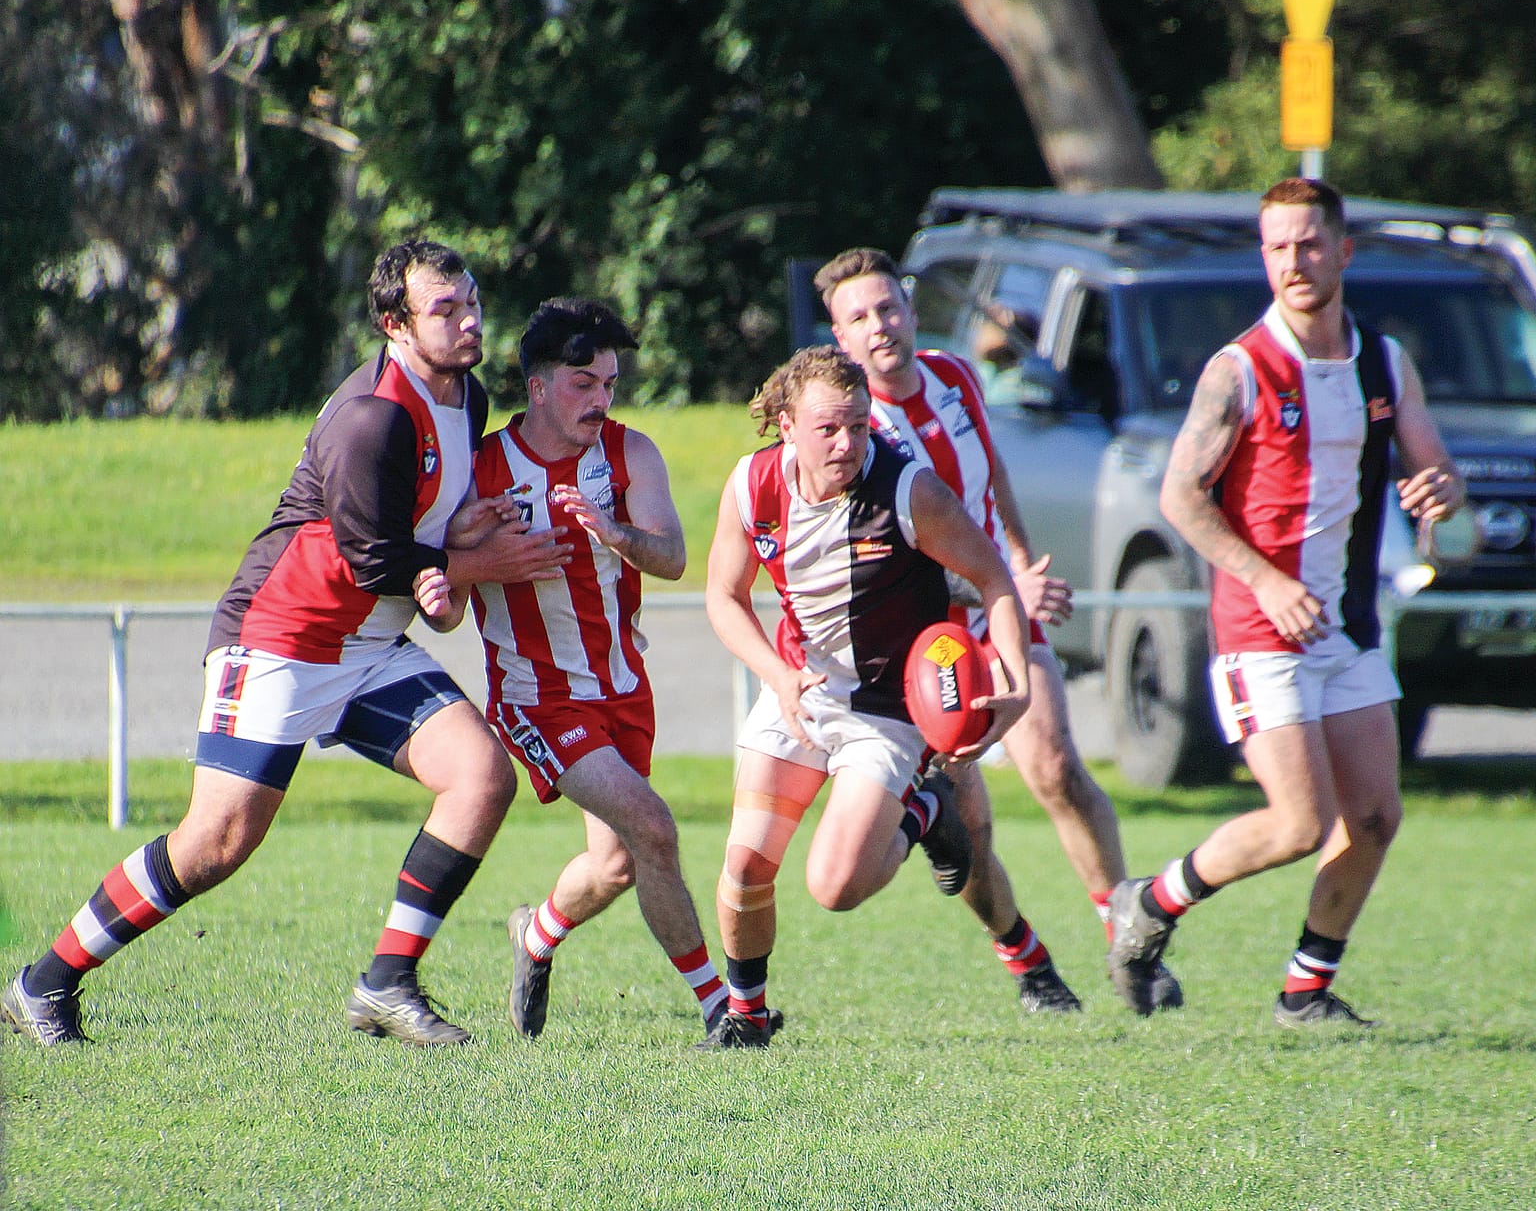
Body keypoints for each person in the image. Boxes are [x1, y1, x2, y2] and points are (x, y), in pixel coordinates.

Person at [1, 239, 570, 1047]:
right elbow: (375, 561)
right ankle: (42, 982)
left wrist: (460, 547)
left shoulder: (467, 398)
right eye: (444, 309)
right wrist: (477, 561)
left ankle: (388, 982)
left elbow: (417, 546)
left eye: (471, 300)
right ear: (393, 324)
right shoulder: (371, 418)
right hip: (280, 639)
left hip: (367, 642)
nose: (469, 318)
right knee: (216, 844)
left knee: (480, 776)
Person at [1108, 178, 1465, 1024]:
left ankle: (1306, 994)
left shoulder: (1384, 361)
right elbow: (1181, 498)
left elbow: (1436, 464)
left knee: (1374, 817)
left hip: (1348, 623)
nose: (1294, 262)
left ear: (1343, 251)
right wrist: (1267, 578)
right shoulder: (1239, 370)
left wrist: (1440, 490)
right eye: (1278, 247)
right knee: (1300, 823)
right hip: (1259, 627)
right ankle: (1151, 904)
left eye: (1310, 244)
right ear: (1262, 258)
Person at [815, 247, 1174, 1013]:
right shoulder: (855, 432)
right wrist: (993, 580)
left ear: (910, 312)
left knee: (1055, 766)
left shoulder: (954, 376)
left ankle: (1126, 933)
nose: (878, 326)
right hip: (927, 639)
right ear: (839, 339)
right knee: (968, 820)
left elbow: (992, 475)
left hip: (997, 605)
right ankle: (1027, 963)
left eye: (886, 308)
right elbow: (886, 561)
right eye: (858, 318)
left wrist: (1015, 562)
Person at [701, 345, 1033, 1049]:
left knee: (835, 886)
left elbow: (996, 580)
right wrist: (778, 674)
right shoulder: (752, 486)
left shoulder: (910, 493)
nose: (848, 443)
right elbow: (724, 599)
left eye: (858, 424)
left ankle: (925, 808)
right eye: (828, 428)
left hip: (887, 705)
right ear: (786, 425)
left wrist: (1018, 678)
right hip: (799, 683)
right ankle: (747, 1018)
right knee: (745, 863)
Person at [444, 297, 726, 1041]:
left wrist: (616, 533)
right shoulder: (484, 470)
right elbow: (441, 606)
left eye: (609, 384)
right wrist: (479, 559)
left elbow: (671, 558)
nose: (601, 400)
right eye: (583, 384)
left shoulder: (631, 455)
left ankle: (534, 935)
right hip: (538, 700)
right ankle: (720, 1009)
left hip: (624, 693)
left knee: (616, 866)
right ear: (538, 387)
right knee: (653, 827)